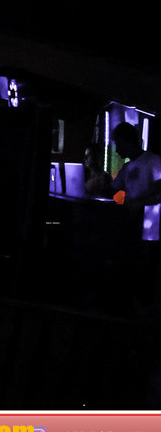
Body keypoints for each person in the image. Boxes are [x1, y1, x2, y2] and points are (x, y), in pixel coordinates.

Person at [91, 122, 161, 305]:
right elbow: (115, 191)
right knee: (133, 265)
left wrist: (141, 202)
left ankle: (143, 305)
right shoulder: (127, 167)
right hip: (133, 225)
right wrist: (101, 185)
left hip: (151, 227)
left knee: (146, 269)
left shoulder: (154, 161)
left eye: (118, 144)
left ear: (127, 141)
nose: (116, 149)